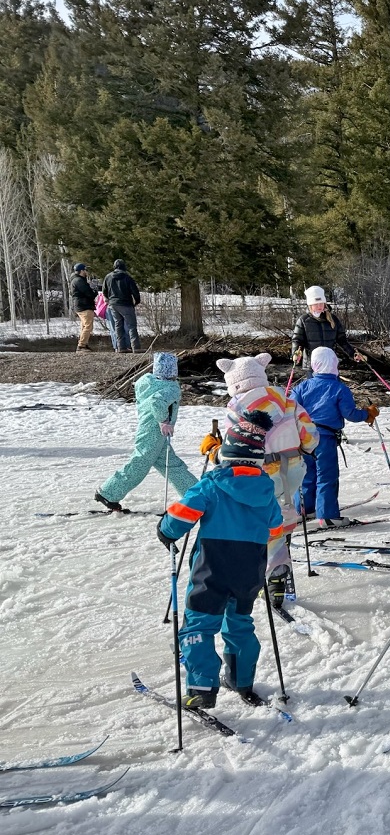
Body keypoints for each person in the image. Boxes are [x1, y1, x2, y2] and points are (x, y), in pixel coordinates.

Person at [157, 406, 285, 707]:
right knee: (239, 622)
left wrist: (165, 530)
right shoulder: (265, 490)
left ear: (226, 454)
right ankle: (241, 679)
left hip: (212, 567)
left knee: (199, 625)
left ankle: (202, 687)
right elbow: (276, 527)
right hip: (249, 568)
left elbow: (181, 515)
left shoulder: (213, 484)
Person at [212, 353, 319, 611]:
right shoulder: (289, 402)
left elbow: (232, 453)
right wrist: (301, 448)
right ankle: (279, 551)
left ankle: (272, 569)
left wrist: (213, 450)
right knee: (281, 511)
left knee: (260, 520)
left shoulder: (237, 408)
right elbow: (310, 437)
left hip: (258, 474)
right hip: (292, 469)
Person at [95, 352, 198, 511]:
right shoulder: (171, 387)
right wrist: (164, 421)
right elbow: (157, 401)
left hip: (148, 429)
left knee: (171, 465)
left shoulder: (146, 381)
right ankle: (108, 493)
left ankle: (197, 494)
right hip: (154, 432)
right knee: (140, 464)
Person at [291, 347, 378, 528]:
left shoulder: (302, 387)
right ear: (333, 364)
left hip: (304, 437)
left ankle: (303, 510)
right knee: (326, 475)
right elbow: (350, 414)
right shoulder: (339, 388)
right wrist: (367, 414)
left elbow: (290, 409)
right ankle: (328, 515)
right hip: (325, 438)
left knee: (305, 473)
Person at [291, 286, 362, 363]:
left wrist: (353, 353)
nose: (319, 306)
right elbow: (297, 340)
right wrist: (296, 353)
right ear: (310, 305)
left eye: (321, 303)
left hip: (330, 363)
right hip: (311, 364)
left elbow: (342, 340)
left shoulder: (333, 319)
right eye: (316, 304)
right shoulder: (303, 320)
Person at [102, 258, 142, 353]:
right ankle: (135, 347)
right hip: (126, 304)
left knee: (118, 326)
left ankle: (121, 347)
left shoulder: (108, 277)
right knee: (131, 326)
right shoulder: (127, 277)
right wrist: (136, 301)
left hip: (113, 304)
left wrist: (109, 300)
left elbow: (104, 291)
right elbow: (135, 291)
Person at [71, 263, 97, 352]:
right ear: (82, 271)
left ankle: (84, 344)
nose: (87, 272)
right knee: (88, 326)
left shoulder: (76, 280)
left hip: (80, 305)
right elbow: (89, 293)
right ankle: (81, 345)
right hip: (84, 306)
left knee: (84, 326)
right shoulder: (79, 281)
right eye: (86, 270)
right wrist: (94, 291)